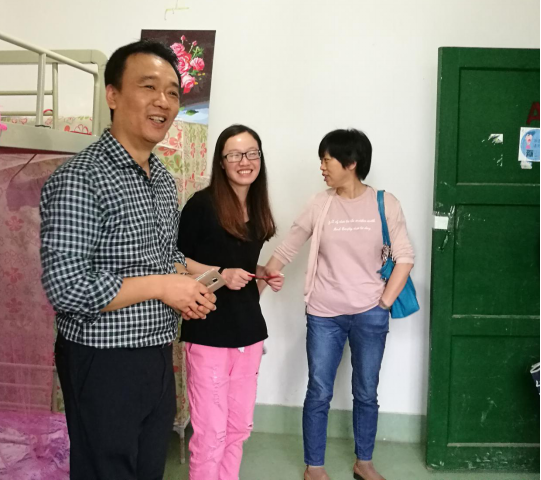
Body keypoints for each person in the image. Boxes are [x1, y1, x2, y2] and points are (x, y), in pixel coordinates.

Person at [40, 40, 217, 480]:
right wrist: (163, 286)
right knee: (106, 470)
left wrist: (189, 287)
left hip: (156, 354)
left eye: (173, 92)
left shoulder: (162, 181)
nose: (164, 101)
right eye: (149, 86)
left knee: (148, 468)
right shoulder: (80, 178)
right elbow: (66, 287)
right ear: (113, 95)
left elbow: (164, 256)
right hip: (102, 359)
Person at [264, 129, 415, 480]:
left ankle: (364, 462)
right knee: (319, 391)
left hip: (370, 314)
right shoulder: (320, 204)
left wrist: (383, 303)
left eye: (327, 159)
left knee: (366, 391)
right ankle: (314, 467)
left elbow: (405, 256)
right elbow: (289, 246)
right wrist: (259, 281)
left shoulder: (385, 203)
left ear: (351, 163)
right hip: (324, 314)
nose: (321, 167)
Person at [176, 125, 284, 480]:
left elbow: (239, 262)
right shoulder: (202, 205)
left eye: (252, 153)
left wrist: (262, 273)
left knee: (238, 429)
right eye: (234, 155)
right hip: (208, 331)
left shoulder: (257, 207)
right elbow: (174, 261)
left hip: (249, 333)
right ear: (221, 162)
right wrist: (220, 274)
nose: (244, 161)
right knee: (211, 434)